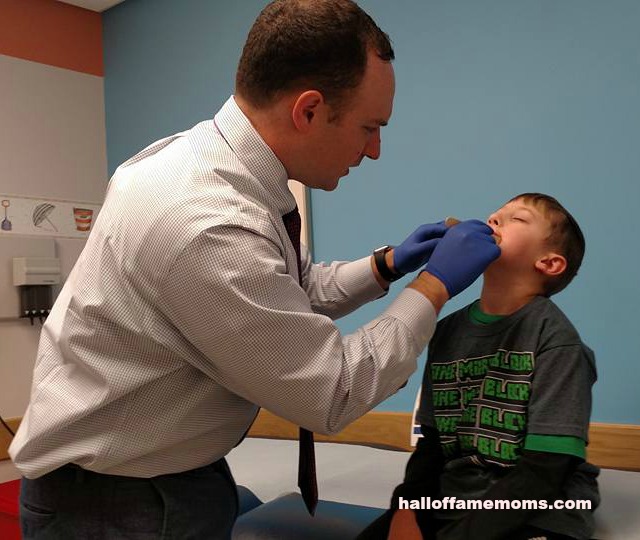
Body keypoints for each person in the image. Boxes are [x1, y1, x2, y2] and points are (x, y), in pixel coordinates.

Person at [9, 1, 499, 539]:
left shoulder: (220, 165)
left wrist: (386, 266)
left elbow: (289, 290)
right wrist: (435, 287)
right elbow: (332, 391)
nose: (375, 150)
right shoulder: (205, 223)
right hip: (117, 504)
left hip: (171, 470)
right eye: (369, 127)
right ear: (309, 111)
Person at [357, 193, 600, 540]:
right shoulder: (447, 331)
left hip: (541, 507)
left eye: (517, 219)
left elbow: (545, 470)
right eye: (495, 214)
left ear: (549, 263)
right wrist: (407, 508)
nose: (494, 218)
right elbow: (433, 445)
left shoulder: (557, 341)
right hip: (455, 499)